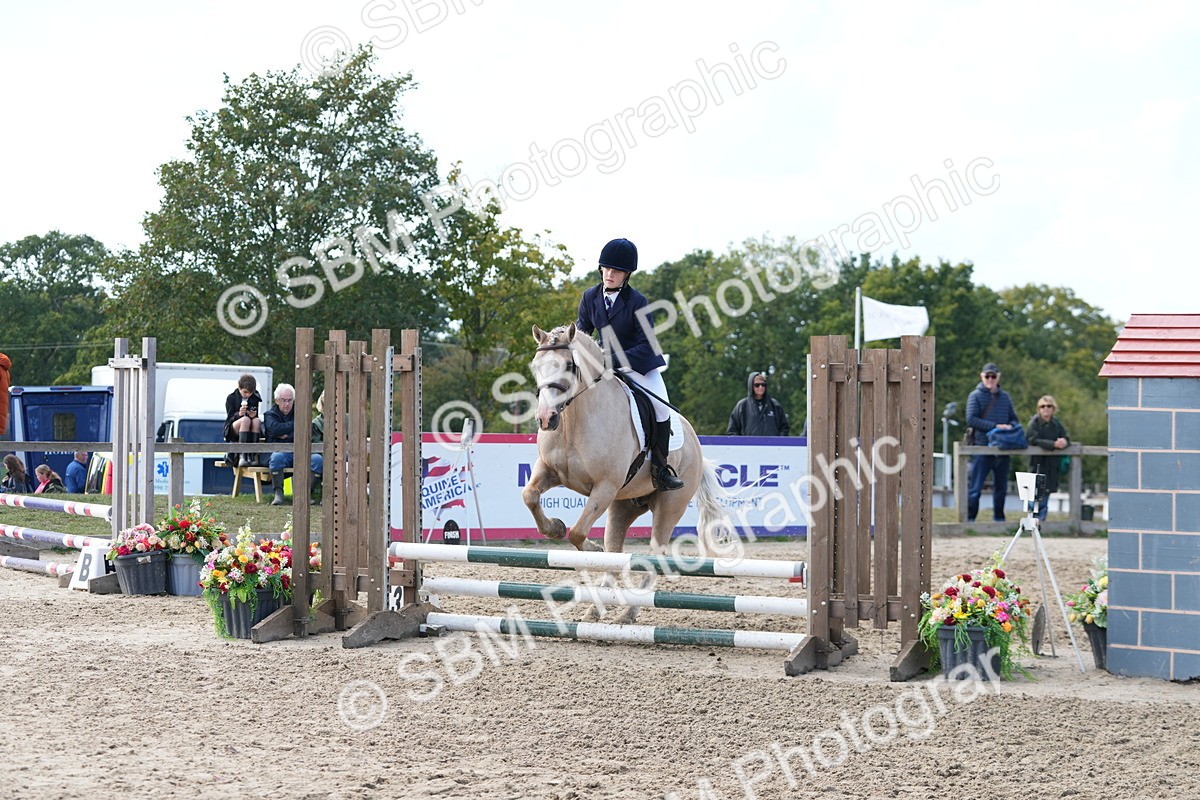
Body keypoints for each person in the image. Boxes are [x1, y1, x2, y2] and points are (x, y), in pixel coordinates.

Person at [575, 237, 683, 491]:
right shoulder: (590, 297)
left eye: (617, 271)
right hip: (605, 366)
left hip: (639, 365)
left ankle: (660, 467)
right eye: (607, 268)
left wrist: (611, 360)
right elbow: (580, 336)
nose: (610, 274)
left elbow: (647, 345)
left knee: (660, 408)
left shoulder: (638, 302)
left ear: (627, 274)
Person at [965, 362, 1019, 522]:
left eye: (993, 376)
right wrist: (995, 427)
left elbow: (1014, 419)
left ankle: (999, 519)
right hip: (981, 447)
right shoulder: (975, 396)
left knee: (1001, 488)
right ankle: (970, 519)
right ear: (982, 377)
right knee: (975, 488)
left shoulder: (1005, 397)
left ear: (998, 377)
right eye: (987, 376)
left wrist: (1010, 427)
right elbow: (971, 419)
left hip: (1002, 447)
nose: (990, 379)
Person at [263, 383, 323, 506]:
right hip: (281, 453)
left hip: (301, 451)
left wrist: (287, 434)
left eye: (290, 400)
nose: (287, 403)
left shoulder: (300, 412)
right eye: (283, 400)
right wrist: (295, 426)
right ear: (277, 400)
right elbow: (274, 429)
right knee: (276, 457)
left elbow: (307, 429)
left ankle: (306, 494)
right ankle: (278, 494)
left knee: (317, 459)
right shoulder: (269, 414)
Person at [1026, 395, 1070, 521]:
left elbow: (1066, 437)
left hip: (1051, 466)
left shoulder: (1056, 423)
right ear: (1038, 409)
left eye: (1049, 406)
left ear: (1053, 408)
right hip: (1037, 465)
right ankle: (1031, 524)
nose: (1046, 409)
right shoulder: (1033, 423)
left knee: (1045, 495)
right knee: (1034, 497)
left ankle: (1041, 524)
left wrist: (1064, 442)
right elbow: (1032, 439)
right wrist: (1053, 444)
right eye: (1042, 406)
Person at [726, 372, 790, 436]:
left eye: (763, 384)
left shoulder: (774, 405)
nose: (761, 387)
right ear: (751, 386)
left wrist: (778, 442)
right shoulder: (742, 406)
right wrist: (741, 443)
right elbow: (732, 430)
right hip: (749, 445)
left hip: (771, 445)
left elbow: (784, 428)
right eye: (757, 385)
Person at [224, 374, 264, 467]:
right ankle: (243, 455)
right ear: (239, 387)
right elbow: (229, 418)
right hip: (233, 428)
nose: (248, 395)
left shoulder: (255, 397)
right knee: (245, 420)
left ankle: (253, 455)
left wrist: (253, 415)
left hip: (249, 427)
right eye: (245, 392)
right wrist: (239, 414)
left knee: (257, 421)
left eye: (250, 393)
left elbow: (255, 417)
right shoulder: (231, 398)